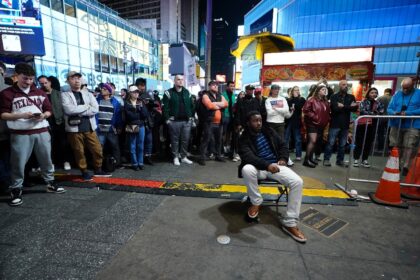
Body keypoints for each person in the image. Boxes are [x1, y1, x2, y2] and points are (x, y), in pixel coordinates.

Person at [0, 63, 66, 206]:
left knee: (46, 159)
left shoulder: (40, 92)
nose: (29, 82)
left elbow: (49, 110)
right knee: (18, 161)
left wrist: (43, 115)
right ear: (16, 76)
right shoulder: (7, 93)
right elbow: (3, 115)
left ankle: (50, 182)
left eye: (31, 79)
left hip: (41, 130)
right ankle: (16, 188)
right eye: (25, 79)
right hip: (20, 133)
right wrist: (22, 115)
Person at [238, 111, 306, 243]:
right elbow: (248, 157)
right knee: (246, 169)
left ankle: (290, 222)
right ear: (248, 123)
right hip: (258, 167)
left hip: (275, 166)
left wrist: (283, 158)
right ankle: (256, 202)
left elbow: (283, 145)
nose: (258, 123)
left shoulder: (268, 131)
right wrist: (267, 165)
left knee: (297, 182)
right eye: (255, 121)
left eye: (260, 120)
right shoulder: (243, 137)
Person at [62, 71, 111, 180]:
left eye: (78, 78)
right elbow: (69, 110)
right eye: (73, 78)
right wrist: (86, 107)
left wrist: (79, 111)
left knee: (97, 149)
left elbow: (95, 109)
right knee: (79, 151)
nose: (77, 81)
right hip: (74, 128)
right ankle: (84, 171)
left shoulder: (88, 94)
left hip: (89, 127)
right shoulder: (65, 94)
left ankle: (98, 169)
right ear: (68, 81)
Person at [38, 75, 72, 170]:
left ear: (50, 82)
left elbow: (64, 108)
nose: (44, 85)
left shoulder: (58, 93)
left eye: (45, 82)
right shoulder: (39, 94)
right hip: (45, 122)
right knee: (48, 144)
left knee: (63, 143)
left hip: (59, 121)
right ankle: (51, 162)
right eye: (41, 83)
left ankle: (66, 161)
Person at [387, 78, 420, 176]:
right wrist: (394, 113)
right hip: (396, 124)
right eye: (403, 88)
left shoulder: (418, 93)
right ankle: (396, 165)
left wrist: (408, 113)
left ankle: (406, 165)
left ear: (413, 85)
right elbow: (389, 108)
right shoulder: (397, 94)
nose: (405, 90)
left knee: (409, 145)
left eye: (407, 88)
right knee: (395, 145)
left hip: (413, 125)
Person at [323, 80, 358, 167]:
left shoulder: (351, 97)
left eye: (346, 85)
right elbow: (335, 109)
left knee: (342, 144)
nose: (345, 86)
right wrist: (348, 107)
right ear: (339, 86)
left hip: (345, 125)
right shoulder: (334, 96)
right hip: (335, 124)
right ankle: (326, 159)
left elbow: (354, 109)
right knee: (330, 143)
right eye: (343, 84)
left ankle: (340, 161)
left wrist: (343, 106)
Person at [162, 75, 194, 166]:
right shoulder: (168, 93)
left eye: (182, 80)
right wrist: (167, 119)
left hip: (186, 121)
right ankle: (175, 157)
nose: (180, 81)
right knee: (174, 140)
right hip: (174, 121)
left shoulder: (187, 92)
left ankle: (183, 157)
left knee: (185, 140)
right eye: (178, 79)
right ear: (174, 81)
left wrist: (191, 117)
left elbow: (192, 106)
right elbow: (165, 107)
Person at [198, 80, 228, 165]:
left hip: (219, 122)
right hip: (209, 122)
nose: (216, 86)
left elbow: (226, 104)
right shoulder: (205, 95)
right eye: (214, 85)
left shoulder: (220, 95)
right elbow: (209, 105)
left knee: (219, 140)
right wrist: (219, 105)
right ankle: (202, 157)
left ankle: (218, 155)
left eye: (217, 85)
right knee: (206, 140)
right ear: (209, 86)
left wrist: (215, 103)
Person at [353, 88, 384, 168]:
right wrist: (374, 113)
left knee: (369, 143)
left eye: (375, 93)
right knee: (359, 142)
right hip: (362, 124)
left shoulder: (378, 102)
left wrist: (373, 113)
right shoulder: (363, 101)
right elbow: (363, 111)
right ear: (368, 93)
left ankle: (364, 159)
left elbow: (381, 111)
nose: (374, 94)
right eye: (372, 92)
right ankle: (356, 159)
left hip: (372, 125)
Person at [302, 84, 331, 168]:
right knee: (313, 141)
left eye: (325, 90)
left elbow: (327, 112)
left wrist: (327, 119)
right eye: (322, 89)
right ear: (318, 91)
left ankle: (310, 159)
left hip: (321, 125)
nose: (324, 91)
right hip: (312, 124)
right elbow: (305, 110)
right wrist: (315, 117)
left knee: (315, 142)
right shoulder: (312, 100)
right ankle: (306, 160)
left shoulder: (325, 101)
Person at [96, 83, 123, 166]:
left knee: (115, 146)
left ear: (109, 92)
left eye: (104, 89)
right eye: (102, 89)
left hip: (111, 129)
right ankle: (98, 165)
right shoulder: (97, 100)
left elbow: (118, 116)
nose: (102, 90)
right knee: (99, 148)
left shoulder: (115, 102)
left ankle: (117, 163)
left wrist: (119, 127)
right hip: (99, 129)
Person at [124, 85, 148, 171]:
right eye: (134, 92)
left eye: (137, 92)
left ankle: (140, 163)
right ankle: (134, 163)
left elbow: (145, 115)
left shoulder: (141, 102)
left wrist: (140, 110)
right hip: (131, 126)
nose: (136, 93)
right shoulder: (126, 103)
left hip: (141, 126)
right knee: (132, 145)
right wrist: (139, 113)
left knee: (141, 145)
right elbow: (130, 116)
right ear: (130, 93)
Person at [285, 86, 306, 161]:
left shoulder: (302, 99)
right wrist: (290, 108)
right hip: (288, 121)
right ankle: (284, 155)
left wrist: (296, 99)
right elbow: (286, 108)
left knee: (298, 139)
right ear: (292, 91)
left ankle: (298, 155)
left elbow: (300, 107)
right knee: (286, 139)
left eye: (298, 90)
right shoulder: (288, 99)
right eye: (295, 90)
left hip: (297, 121)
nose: (297, 91)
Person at [221, 81, 236, 157]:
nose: (232, 87)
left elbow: (234, 105)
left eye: (233, 86)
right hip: (225, 116)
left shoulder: (233, 95)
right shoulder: (223, 94)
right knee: (223, 133)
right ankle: (222, 148)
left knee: (229, 133)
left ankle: (227, 146)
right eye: (230, 86)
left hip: (231, 117)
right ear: (227, 87)